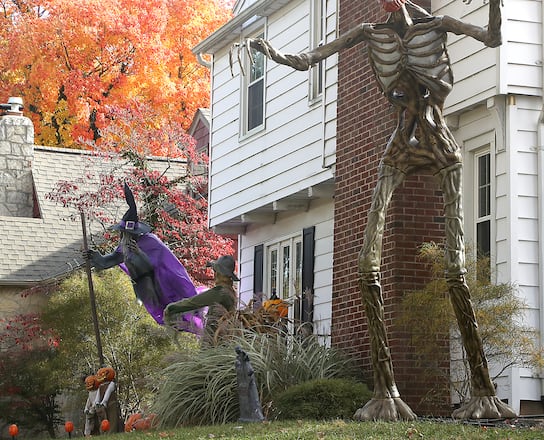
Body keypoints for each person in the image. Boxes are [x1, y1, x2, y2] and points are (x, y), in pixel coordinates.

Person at [245, 0, 511, 421]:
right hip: (400, 147)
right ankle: (385, 391)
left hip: (442, 147)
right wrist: (270, 52)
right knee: (366, 264)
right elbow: (306, 59)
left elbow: (492, 38)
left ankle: (483, 389)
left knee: (455, 271)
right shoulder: (370, 32)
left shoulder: (438, 23)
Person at [86, 183, 203, 332]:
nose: (123, 236)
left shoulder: (151, 242)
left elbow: (166, 265)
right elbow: (107, 261)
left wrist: (141, 256)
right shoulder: (124, 248)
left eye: (125, 233)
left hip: (169, 284)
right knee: (168, 317)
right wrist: (93, 256)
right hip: (150, 289)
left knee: (185, 312)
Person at [164, 255, 239, 346]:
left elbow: (194, 302)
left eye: (215, 271)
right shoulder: (230, 291)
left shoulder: (220, 293)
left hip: (215, 343)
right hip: (222, 341)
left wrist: (172, 308)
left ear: (220, 274)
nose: (214, 275)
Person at [94, 367, 122, 433]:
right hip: (102, 405)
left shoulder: (111, 384)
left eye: (103, 374)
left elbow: (108, 393)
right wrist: (96, 402)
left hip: (111, 403)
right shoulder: (100, 386)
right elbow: (98, 396)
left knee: (112, 419)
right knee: (104, 420)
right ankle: (104, 432)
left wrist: (104, 401)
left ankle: (112, 432)